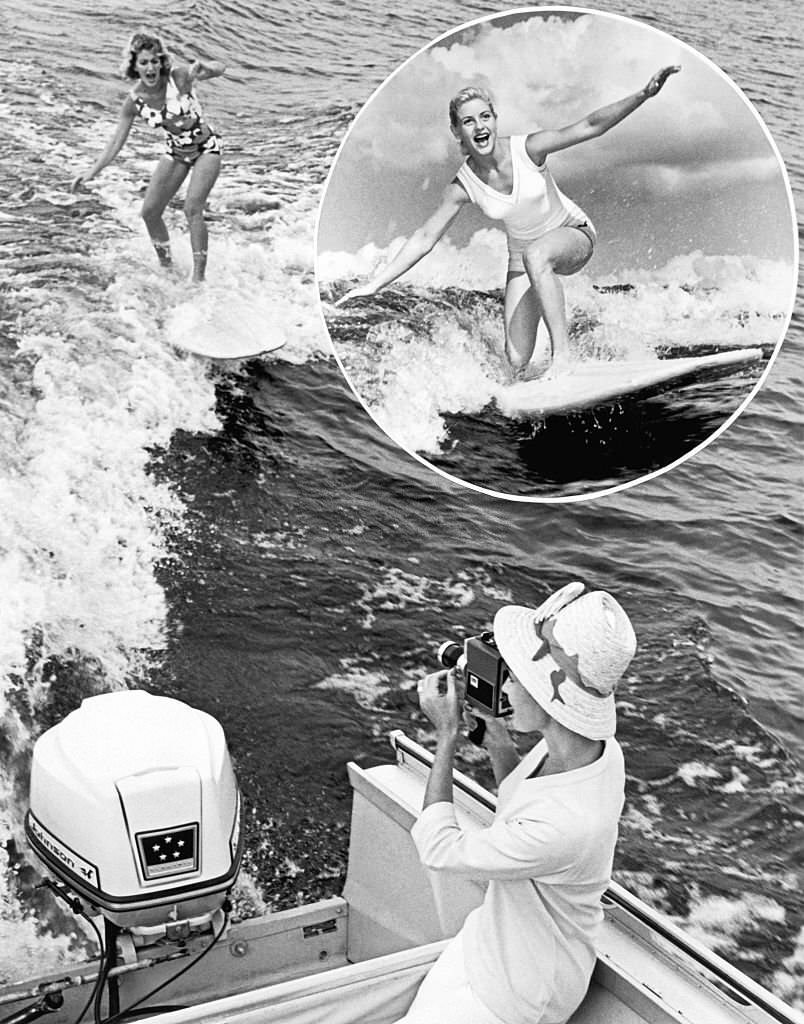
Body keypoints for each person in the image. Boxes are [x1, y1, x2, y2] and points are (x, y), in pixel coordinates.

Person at [337, 68, 679, 378]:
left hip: (574, 234)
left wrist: (643, 94)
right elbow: (425, 238)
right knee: (515, 360)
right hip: (524, 258)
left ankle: (564, 359)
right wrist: (374, 284)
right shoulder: (462, 186)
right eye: (468, 121)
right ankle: (540, 374)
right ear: (456, 130)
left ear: (495, 120)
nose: (479, 126)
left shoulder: (529, 149)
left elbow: (590, 126)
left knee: (538, 255)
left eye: (485, 116)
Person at [398, 581, 637, 1024]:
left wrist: (446, 735)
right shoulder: (587, 750)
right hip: (493, 940)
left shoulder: (569, 824)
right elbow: (520, 814)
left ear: (550, 693)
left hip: (521, 991)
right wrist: (499, 746)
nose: (503, 687)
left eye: (515, 676)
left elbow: (439, 849)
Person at [70, 30, 225, 282]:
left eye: (155, 61)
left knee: (192, 207)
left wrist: (206, 67)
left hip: (206, 148)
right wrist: (91, 173)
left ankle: (198, 278)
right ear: (135, 66)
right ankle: (167, 267)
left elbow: (221, 67)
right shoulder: (134, 101)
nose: (150, 67)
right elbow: (115, 144)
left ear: (161, 62)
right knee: (150, 212)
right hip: (175, 152)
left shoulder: (179, 78)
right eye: (144, 62)